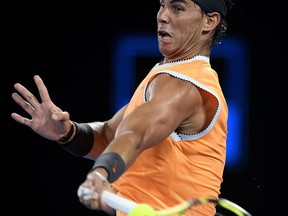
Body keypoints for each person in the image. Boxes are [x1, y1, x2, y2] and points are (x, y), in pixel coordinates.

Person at [11, 0, 234, 215]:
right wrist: (68, 133)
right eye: (162, 5)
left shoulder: (185, 86)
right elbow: (111, 136)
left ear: (209, 21)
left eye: (177, 8)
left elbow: (134, 136)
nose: (162, 16)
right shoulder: (166, 77)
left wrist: (101, 174)